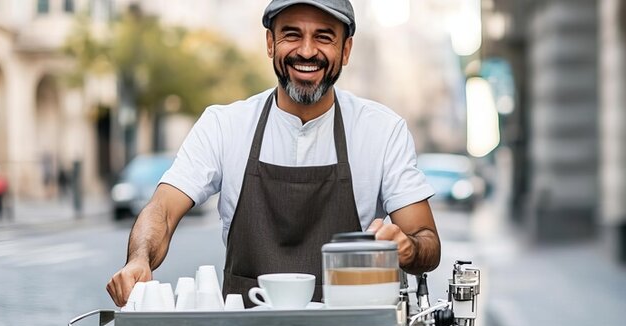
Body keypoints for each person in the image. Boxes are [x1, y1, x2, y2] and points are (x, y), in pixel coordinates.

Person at [107, 0, 441, 307]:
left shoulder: (382, 131)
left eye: (324, 37)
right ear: (270, 43)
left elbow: (427, 241)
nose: (307, 51)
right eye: (292, 35)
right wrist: (139, 259)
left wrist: (408, 248)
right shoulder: (224, 125)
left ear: (346, 50)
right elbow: (163, 210)